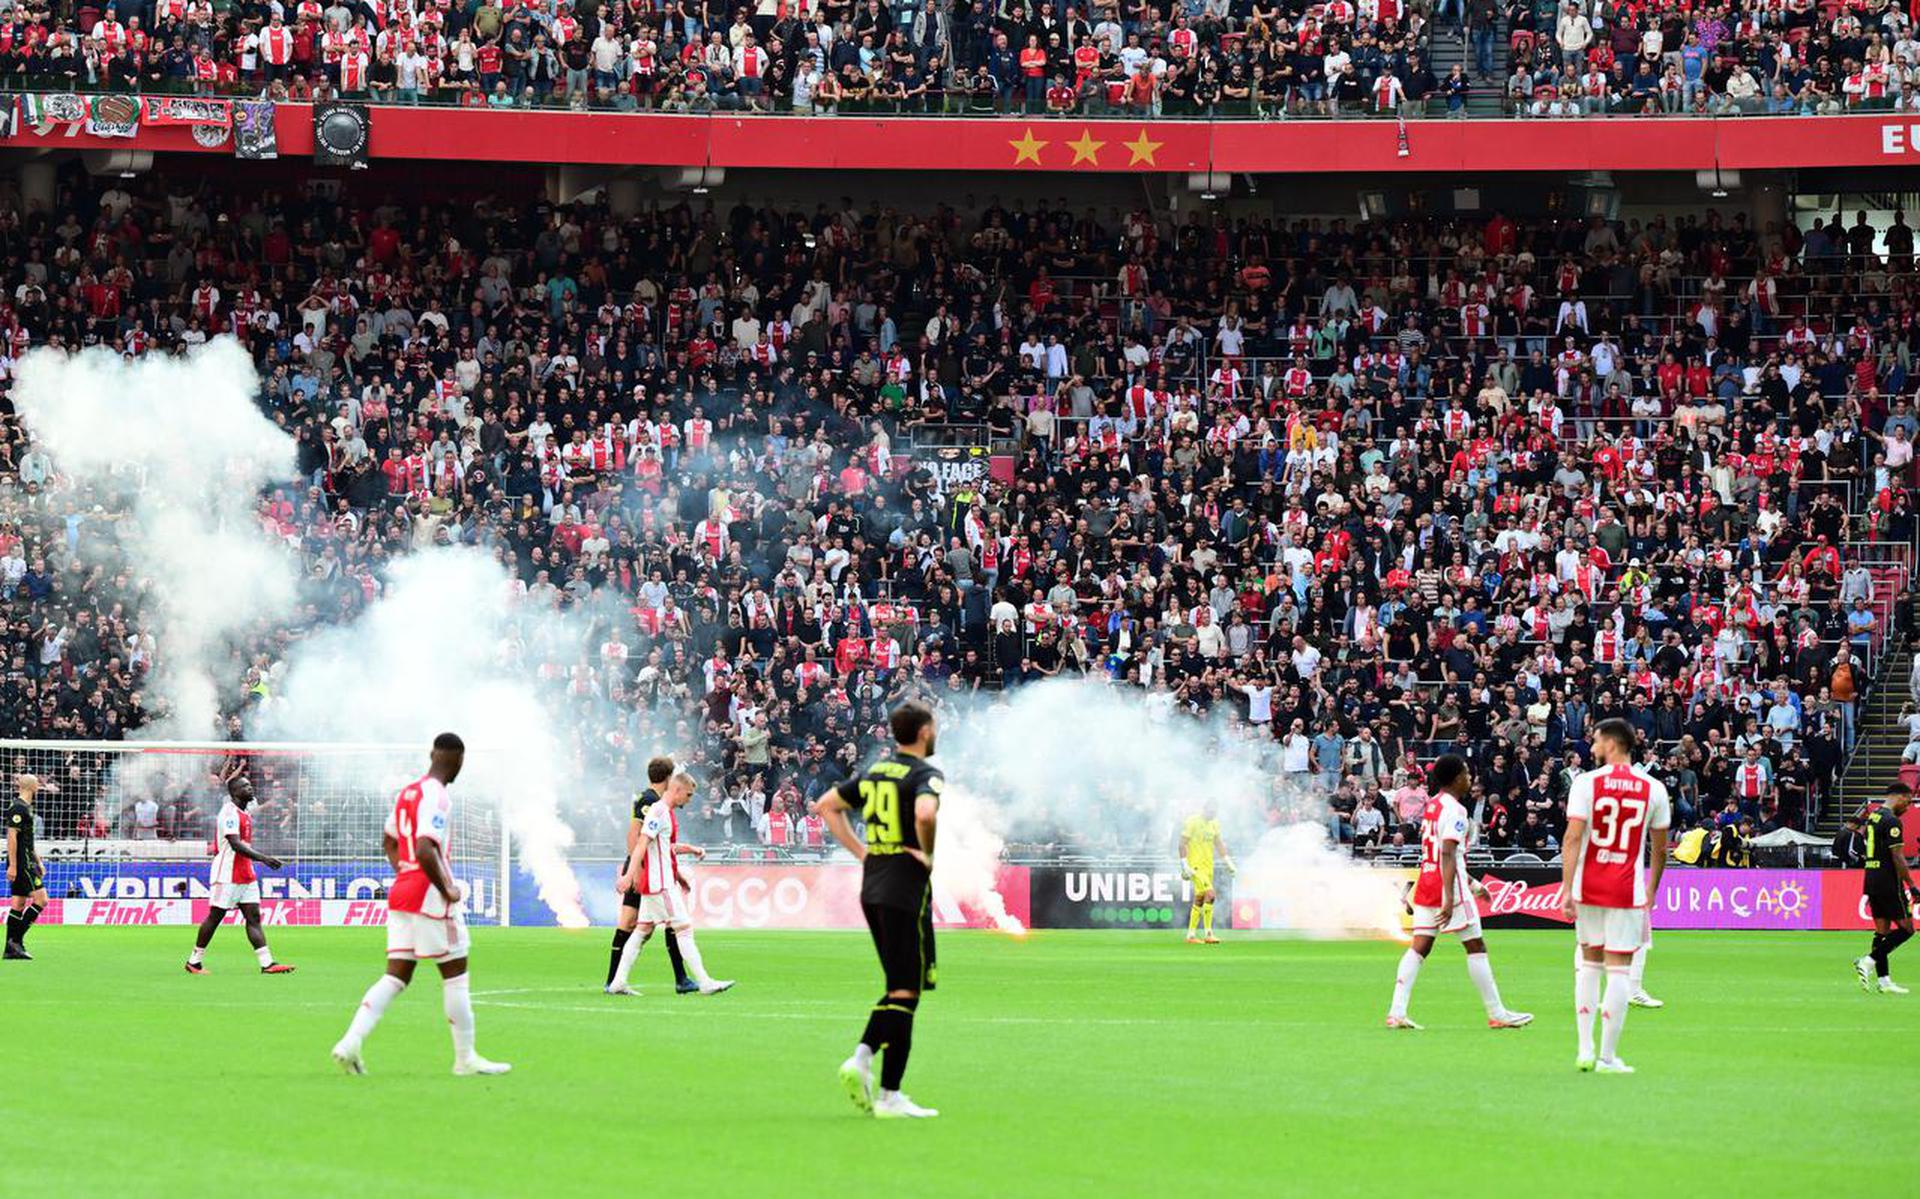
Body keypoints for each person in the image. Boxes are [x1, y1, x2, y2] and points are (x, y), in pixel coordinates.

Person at [330, 733, 509, 1077]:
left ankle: (350, 1041)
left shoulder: (407, 792)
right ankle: (465, 1059)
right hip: (429, 894)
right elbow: (427, 847)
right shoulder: (437, 796)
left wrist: (406, 871)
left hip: (403, 890)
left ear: (431, 754)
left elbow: (389, 840)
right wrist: (448, 888)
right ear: (458, 761)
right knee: (455, 976)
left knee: (396, 976)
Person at [814, 700, 943, 1119]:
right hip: (905, 886)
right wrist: (928, 854)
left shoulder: (875, 770)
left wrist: (863, 854)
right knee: (908, 990)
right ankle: (883, 1088)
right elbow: (925, 812)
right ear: (924, 731)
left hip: (873, 884)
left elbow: (825, 806)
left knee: (898, 987)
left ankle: (872, 1069)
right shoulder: (925, 774)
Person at [1386, 754, 1533, 1030]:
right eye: (1466, 774)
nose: (1470, 779)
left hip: (1427, 880)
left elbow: (1443, 854)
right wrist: (1450, 895)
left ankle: (1396, 1011)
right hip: (1447, 886)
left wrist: (1475, 884)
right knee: (1475, 945)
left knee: (1420, 947)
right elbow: (1448, 853)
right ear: (1456, 779)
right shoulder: (1455, 810)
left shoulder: (1433, 806)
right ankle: (1497, 1013)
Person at [1560, 718, 1670, 1074]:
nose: (1591, 747)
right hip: (1626, 888)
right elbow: (1660, 848)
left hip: (1588, 883)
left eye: (1595, 740)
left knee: (1588, 965)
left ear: (1611, 742)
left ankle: (1584, 1048)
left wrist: (1566, 887)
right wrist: (1651, 890)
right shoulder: (1652, 788)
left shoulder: (1586, 784)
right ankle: (1607, 1057)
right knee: (1619, 970)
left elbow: (1573, 837)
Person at [606, 767, 734, 996]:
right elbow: (642, 844)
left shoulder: (662, 812)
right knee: (684, 929)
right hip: (661, 885)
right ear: (676, 789)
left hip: (656, 884)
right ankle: (704, 981)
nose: (689, 800)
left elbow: (663, 848)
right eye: (688, 795)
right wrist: (627, 875)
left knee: (641, 931)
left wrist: (690, 851)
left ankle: (618, 982)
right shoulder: (658, 812)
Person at [185, 772, 296, 975]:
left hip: (245, 872)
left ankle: (267, 963)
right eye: (245, 786)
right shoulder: (229, 813)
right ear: (235, 792)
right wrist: (264, 858)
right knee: (216, 916)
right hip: (227, 873)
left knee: (253, 917)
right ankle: (194, 961)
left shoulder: (244, 812)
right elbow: (235, 844)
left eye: (250, 785)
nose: (250, 788)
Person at [605, 755, 695, 995]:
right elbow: (634, 836)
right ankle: (614, 980)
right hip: (644, 870)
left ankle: (680, 978)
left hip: (651, 869)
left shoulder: (654, 801)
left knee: (648, 925)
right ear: (668, 777)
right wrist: (637, 871)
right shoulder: (650, 801)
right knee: (634, 924)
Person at [1853, 783, 1920, 994]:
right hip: (1888, 881)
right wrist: (1912, 885)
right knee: (1907, 929)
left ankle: (1883, 980)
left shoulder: (1873, 816)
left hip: (1871, 878)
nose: (1907, 807)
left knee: (1882, 932)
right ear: (1899, 796)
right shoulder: (1892, 821)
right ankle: (1868, 961)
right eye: (1907, 802)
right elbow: (1898, 857)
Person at [5, 772, 51, 960]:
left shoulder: (26, 808)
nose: (39, 786)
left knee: (18, 903)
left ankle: (10, 949)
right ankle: (15, 941)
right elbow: (11, 837)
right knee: (42, 900)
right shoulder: (18, 808)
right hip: (22, 863)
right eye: (37, 783)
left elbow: (27, 840)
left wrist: (38, 860)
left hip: (27, 860)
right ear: (30, 786)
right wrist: (14, 865)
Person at [1179, 801, 1236, 943]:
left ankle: (1190, 936)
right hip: (1195, 866)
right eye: (1210, 811)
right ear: (1204, 809)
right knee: (1211, 894)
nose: (1212, 815)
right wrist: (1184, 864)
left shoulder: (1214, 823)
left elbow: (1218, 842)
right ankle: (1208, 933)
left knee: (1199, 898)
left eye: (1215, 812)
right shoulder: (1192, 821)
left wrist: (1228, 861)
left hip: (1208, 867)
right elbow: (1182, 843)